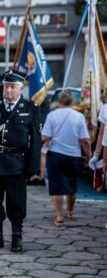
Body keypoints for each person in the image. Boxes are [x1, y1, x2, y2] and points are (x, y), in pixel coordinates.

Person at [0, 70, 42, 253]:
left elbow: (36, 141)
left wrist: (33, 166)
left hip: (17, 163)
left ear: (21, 88)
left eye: (13, 86)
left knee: (16, 202)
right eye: (6, 86)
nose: (9, 90)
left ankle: (16, 236)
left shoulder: (31, 108)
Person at [42, 90, 91, 227]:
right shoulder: (79, 116)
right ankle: (70, 211)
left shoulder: (52, 115)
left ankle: (59, 216)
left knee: (56, 186)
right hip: (73, 156)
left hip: (55, 155)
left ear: (59, 101)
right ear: (73, 102)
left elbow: (45, 137)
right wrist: (89, 156)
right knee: (71, 185)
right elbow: (85, 140)